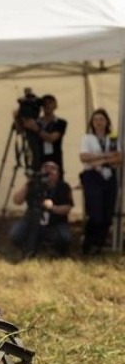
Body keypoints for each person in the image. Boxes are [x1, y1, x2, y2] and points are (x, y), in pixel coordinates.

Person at [79, 108, 122, 255]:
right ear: (92, 122)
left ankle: (98, 246)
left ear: (106, 122)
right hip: (92, 177)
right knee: (95, 214)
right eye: (96, 119)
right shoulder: (87, 138)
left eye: (101, 119)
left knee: (107, 214)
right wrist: (107, 156)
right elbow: (84, 158)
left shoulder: (113, 138)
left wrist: (99, 158)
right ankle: (88, 244)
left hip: (109, 176)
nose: (98, 122)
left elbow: (119, 159)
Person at [9, 161, 73, 258]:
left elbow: (67, 208)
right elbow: (17, 201)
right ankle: (30, 246)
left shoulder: (63, 187)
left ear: (58, 174)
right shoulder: (33, 185)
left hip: (54, 224)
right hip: (31, 221)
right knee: (15, 234)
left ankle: (49, 246)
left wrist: (53, 207)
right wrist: (27, 184)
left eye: (53, 168)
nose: (49, 170)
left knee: (65, 238)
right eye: (46, 167)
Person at [16, 94, 68, 174]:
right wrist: (18, 118)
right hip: (38, 160)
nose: (47, 106)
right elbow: (19, 131)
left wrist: (36, 128)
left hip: (54, 160)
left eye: (50, 103)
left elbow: (51, 139)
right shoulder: (36, 122)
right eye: (45, 103)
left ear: (55, 105)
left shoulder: (60, 122)